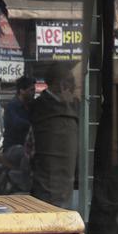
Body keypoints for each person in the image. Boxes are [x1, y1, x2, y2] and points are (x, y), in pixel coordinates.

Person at [30, 62, 80, 209]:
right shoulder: (41, 105)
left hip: (67, 176)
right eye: (71, 82)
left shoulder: (72, 105)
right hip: (47, 177)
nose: (73, 86)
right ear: (62, 84)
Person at [3, 75, 35, 151]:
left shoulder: (32, 105)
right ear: (22, 91)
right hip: (13, 148)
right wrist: (33, 125)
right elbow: (17, 123)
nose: (34, 92)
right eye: (31, 90)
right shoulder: (12, 106)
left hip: (28, 146)